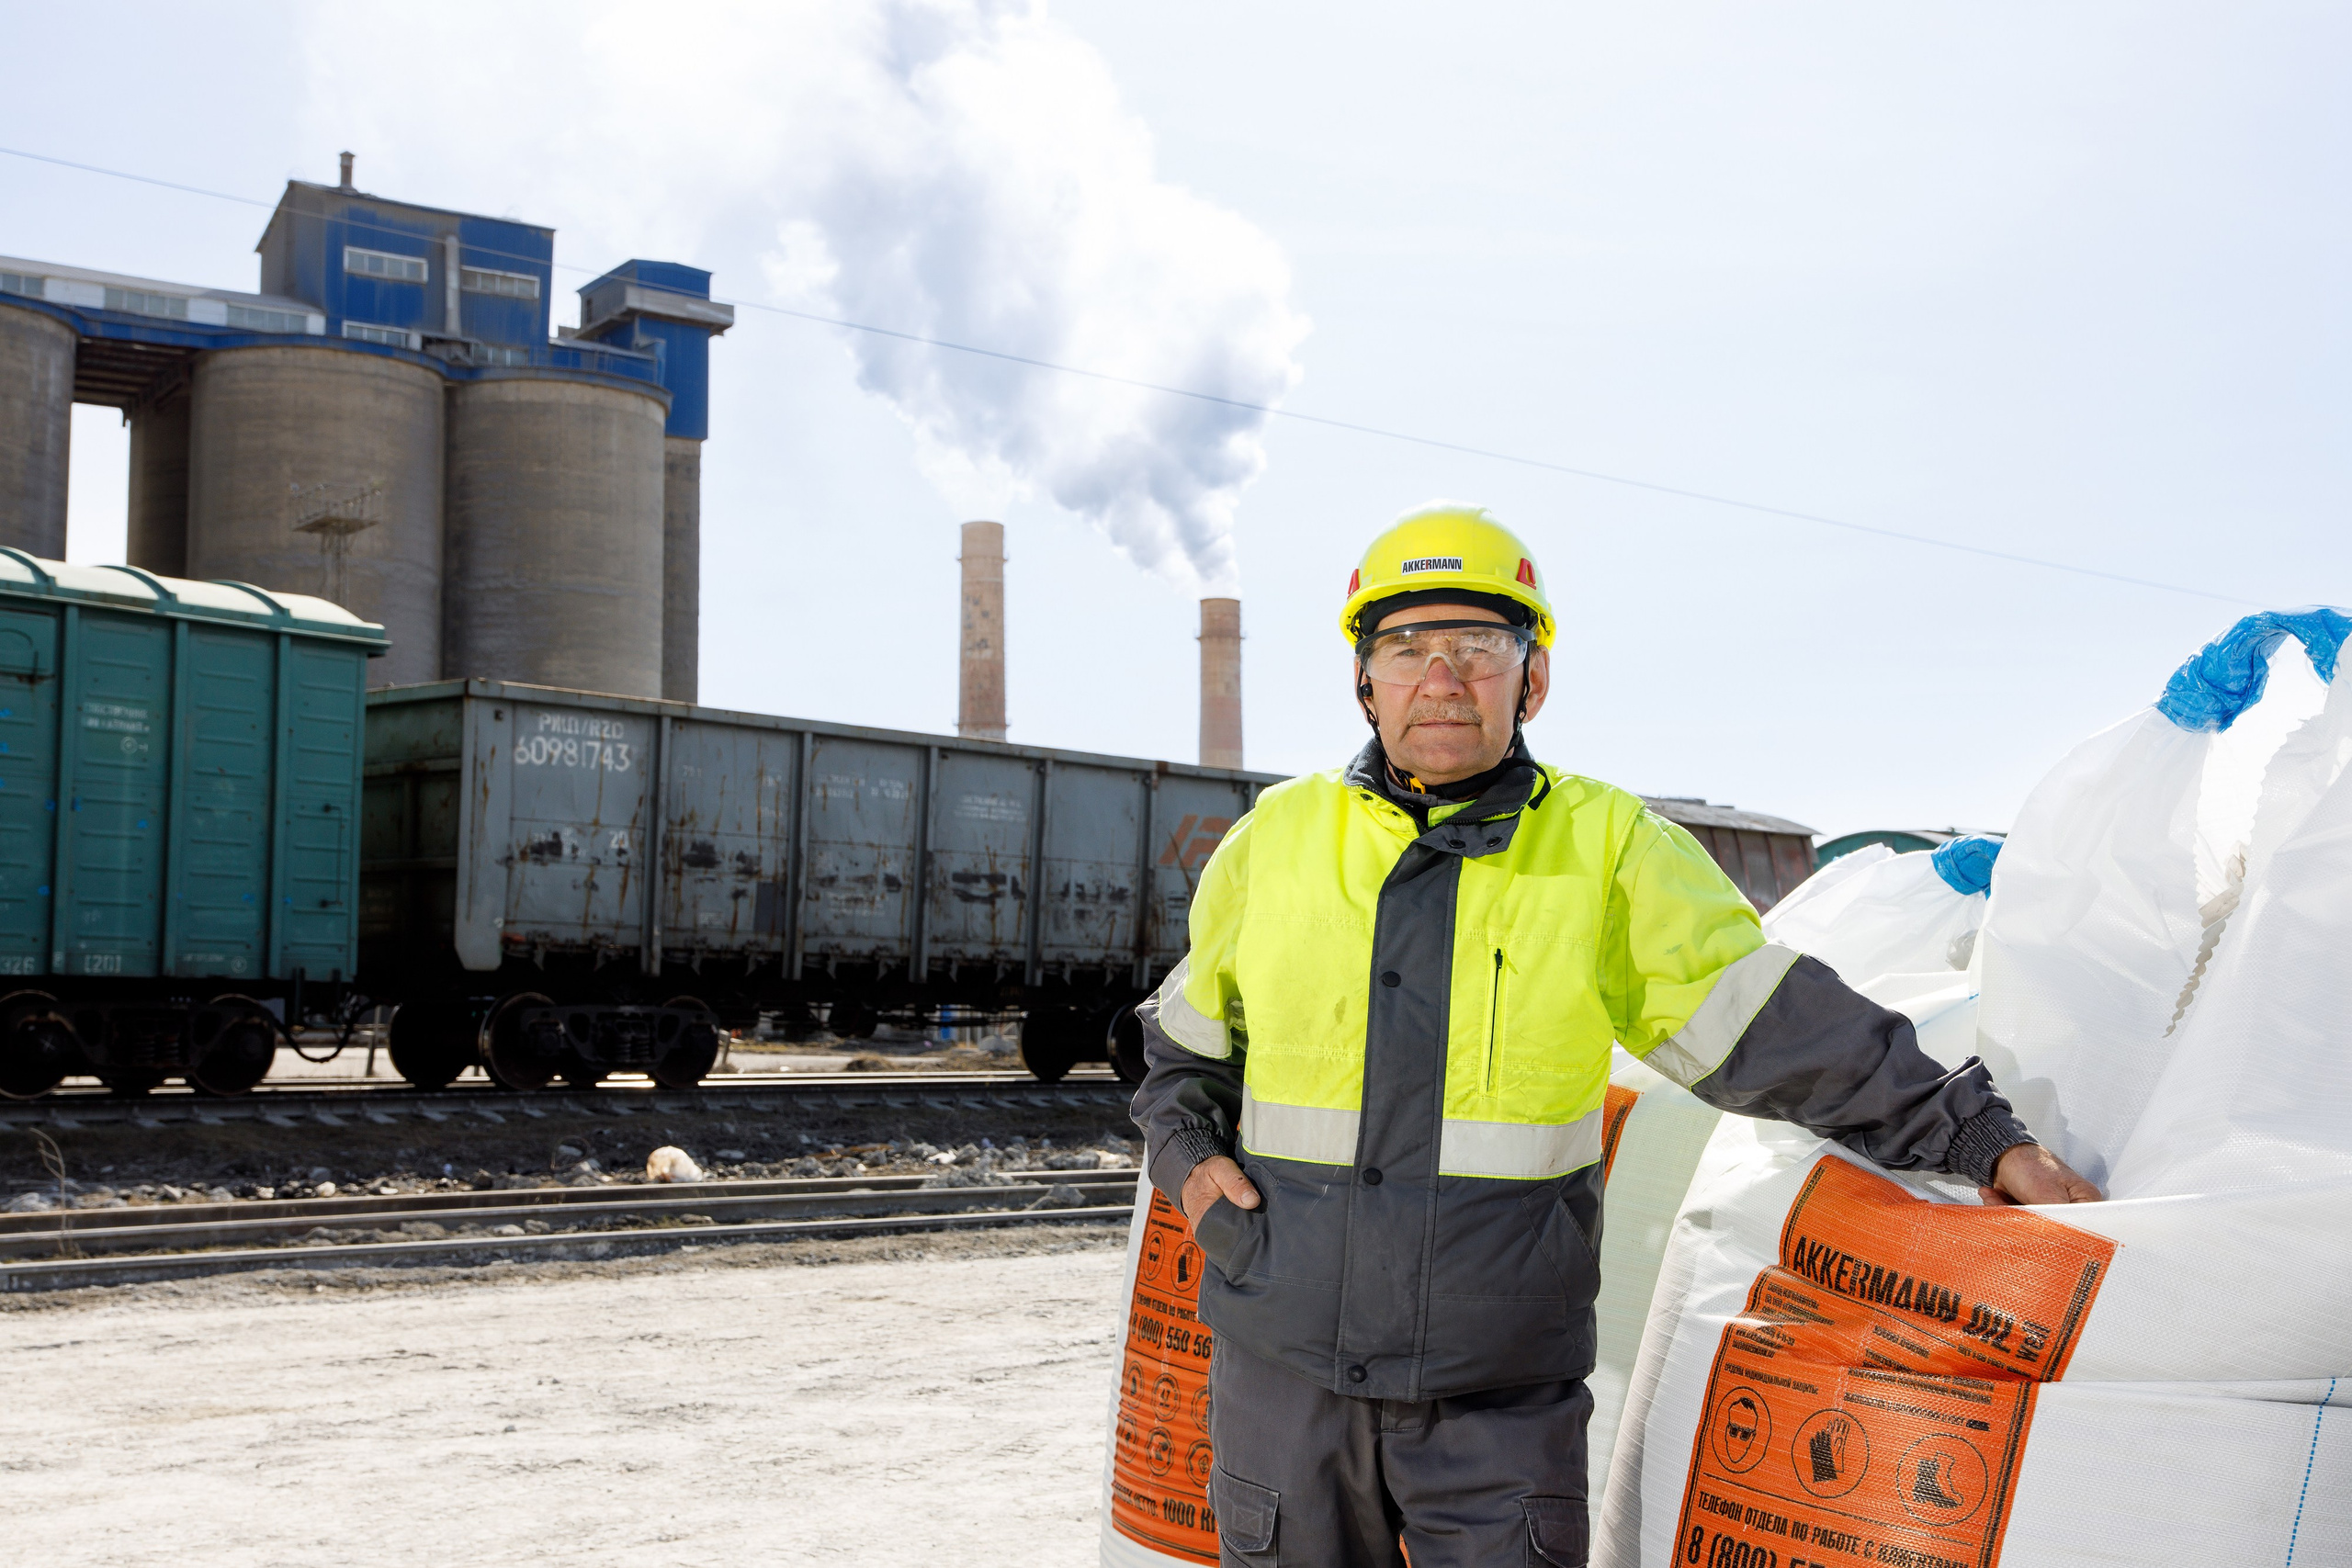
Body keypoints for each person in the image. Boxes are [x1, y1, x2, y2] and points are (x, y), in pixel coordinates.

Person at [1128, 503, 2098, 1568]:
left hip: (1496, 1393)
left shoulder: (1610, 848)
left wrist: (1977, 1139)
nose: (1441, 677)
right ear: (1363, 678)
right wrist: (1190, 1165)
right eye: (1406, 647)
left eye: (1478, 647)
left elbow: (1773, 1024)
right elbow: (1181, 1057)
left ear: (1531, 678)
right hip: (1283, 1371)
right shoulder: (1276, 841)